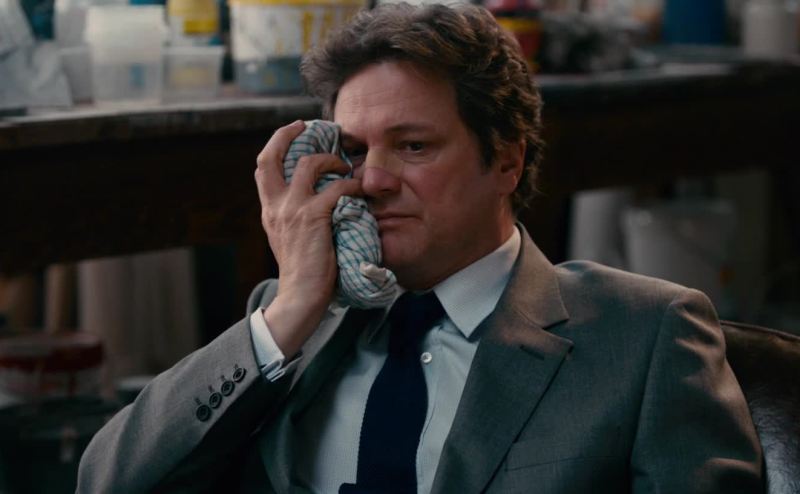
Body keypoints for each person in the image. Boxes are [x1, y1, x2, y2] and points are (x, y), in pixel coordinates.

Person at [77, 3, 763, 493]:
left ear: (506, 161)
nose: (372, 180)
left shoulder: (644, 335)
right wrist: (288, 312)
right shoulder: (292, 325)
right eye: (353, 151)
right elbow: (107, 483)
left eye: (412, 146)